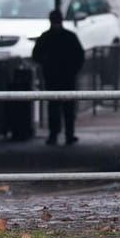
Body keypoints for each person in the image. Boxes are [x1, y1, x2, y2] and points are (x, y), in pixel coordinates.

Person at [32, 9, 85, 146]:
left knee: (54, 107)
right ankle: (68, 134)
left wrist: (46, 63)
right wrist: (73, 70)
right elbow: (80, 56)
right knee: (67, 107)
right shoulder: (69, 36)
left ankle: (55, 135)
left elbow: (36, 55)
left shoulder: (46, 37)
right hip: (65, 77)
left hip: (53, 77)